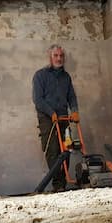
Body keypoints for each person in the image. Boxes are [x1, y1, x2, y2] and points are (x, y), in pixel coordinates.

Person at [32, 44, 80, 192]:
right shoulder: (40, 75)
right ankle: (57, 185)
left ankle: (64, 183)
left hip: (64, 118)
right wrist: (51, 112)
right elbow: (37, 99)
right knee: (53, 150)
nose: (59, 58)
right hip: (48, 118)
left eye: (61, 56)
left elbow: (71, 96)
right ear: (50, 57)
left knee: (66, 149)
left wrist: (75, 110)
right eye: (56, 55)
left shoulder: (66, 77)